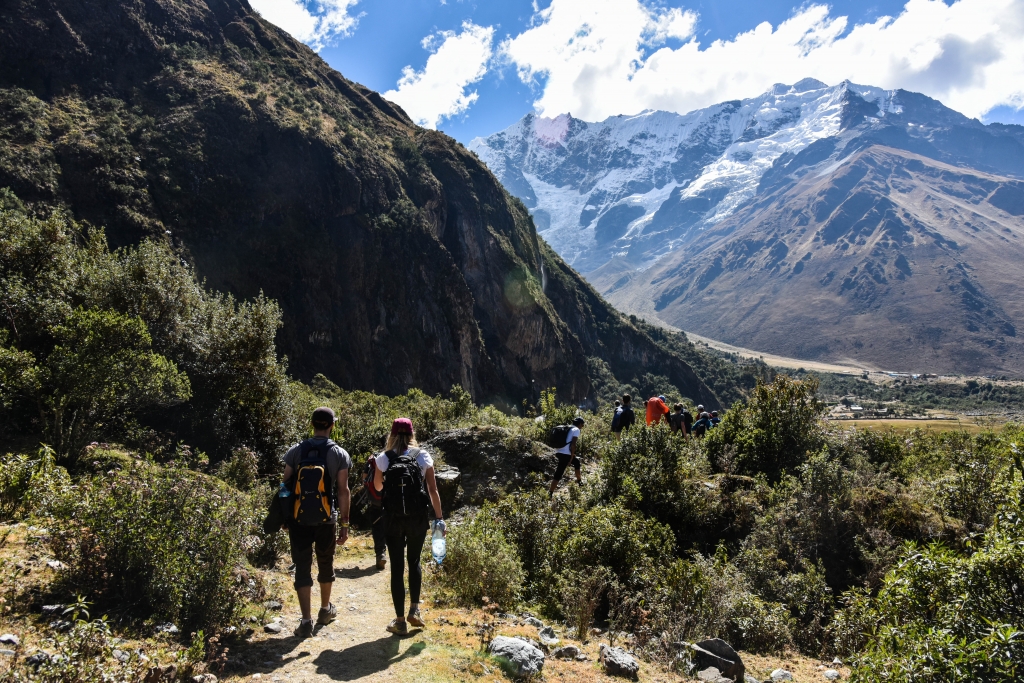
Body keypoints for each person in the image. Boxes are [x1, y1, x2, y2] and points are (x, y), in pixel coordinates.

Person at [281, 407, 351, 638]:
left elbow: (286, 487)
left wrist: (285, 516)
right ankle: (324, 610)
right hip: (326, 519)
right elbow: (343, 491)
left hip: (299, 519)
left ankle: (305, 621)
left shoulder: (295, 451)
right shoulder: (339, 454)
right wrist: (344, 523)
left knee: (302, 566)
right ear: (332, 425)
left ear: (312, 424)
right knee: (325, 561)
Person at [373, 418, 445, 636]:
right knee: (414, 562)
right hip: (417, 518)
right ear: (412, 434)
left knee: (396, 567)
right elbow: (432, 490)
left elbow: (377, 487)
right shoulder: (422, 456)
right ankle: (414, 610)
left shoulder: (384, 458)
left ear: (392, 435)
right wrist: (439, 518)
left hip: (393, 519)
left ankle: (399, 621)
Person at [549, 416, 584, 496]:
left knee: (577, 463)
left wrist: (572, 456)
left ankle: (579, 482)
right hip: (566, 454)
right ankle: (550, 493)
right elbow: (573, 445)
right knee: (559, 472)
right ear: (579, 424)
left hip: (558, 451)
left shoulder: (568, 428)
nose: (582, 427)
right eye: (582, 425)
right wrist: (571, 457)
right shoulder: (576, 430)